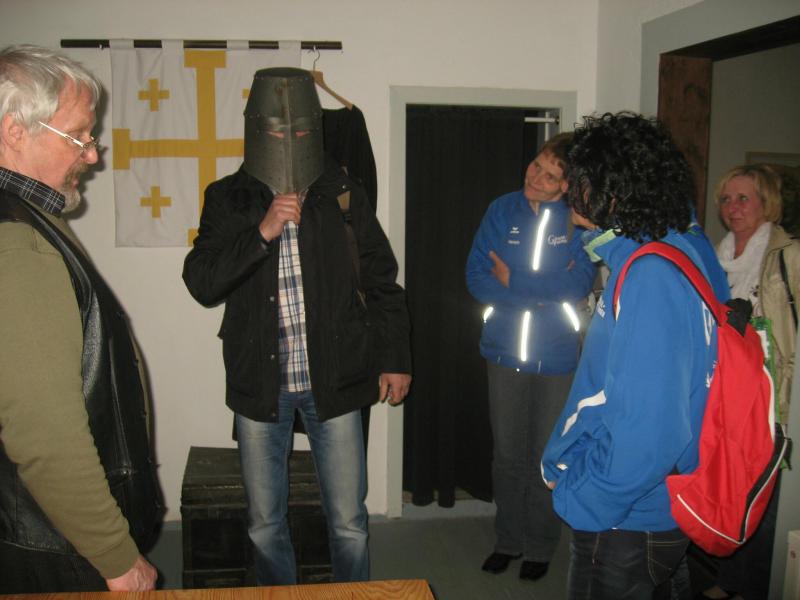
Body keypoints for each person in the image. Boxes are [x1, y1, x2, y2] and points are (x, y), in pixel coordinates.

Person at [182, 67, 412, 586]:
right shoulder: (228, 197)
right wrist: (262, 232)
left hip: (335, 377)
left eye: (303, 129)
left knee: (349, 523)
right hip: (260, 382)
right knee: (265, 524)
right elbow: (201, 282)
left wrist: (395, 358)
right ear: (256, 128)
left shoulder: (343, 192)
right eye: (278, 129)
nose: (290, 139)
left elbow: (382, 281)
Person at [541, 112, 730, 600]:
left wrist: (583, 496)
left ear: (613, 193)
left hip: (628, 516)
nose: (566, 189)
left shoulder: (650, 275)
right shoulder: (678, 246)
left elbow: (651, 430)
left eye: (577, 179)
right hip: (651, 505)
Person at [0, 45, 161, 592]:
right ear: (15, 131)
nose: (91, 155)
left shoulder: (30, 218)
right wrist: (117, 558)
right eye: (78, 136)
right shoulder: (18, 242)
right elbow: (47, 434)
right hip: (52, 543)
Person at [465, 132, 596, 581]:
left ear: (567, 185)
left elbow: (578, 284)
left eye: (550, 175)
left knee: (545, 456)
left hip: (558, 358)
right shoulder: (501, 210)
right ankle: (508, 540)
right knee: (507, 455)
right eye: (536, 165)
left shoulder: (578, 221)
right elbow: (476, 275)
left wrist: (514, 280)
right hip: (503, 352)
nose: (536, 177)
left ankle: (540, 545)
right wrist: (537, 294)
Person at [697, 164, 799, 600]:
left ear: (766, 202)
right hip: (726, 394)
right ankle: (729, 579)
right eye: (726, 199)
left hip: (772, 398)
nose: (732, 207)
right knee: (732, 490)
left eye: (744, 198)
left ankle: (755, 588)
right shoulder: (715, 258)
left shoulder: (789, 256)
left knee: (765, 499)